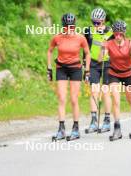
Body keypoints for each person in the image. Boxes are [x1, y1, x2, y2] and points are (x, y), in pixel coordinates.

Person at [47, 13, 91, 141]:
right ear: (63, 26)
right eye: (66, 27)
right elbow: (49, 51)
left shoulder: (80, 38)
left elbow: (87, 53)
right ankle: (61, 129)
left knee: (73, 99)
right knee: (61, 97)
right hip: (61, 68)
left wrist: (87, 71)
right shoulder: (57, 38)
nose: (69, 29)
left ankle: (76, 128)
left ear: (74, 26)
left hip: (75, 69)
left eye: (71, 27)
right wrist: (49, 68)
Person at [99, 20, 131, 141]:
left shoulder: (129, 43)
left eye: (120, 34)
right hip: (114, 74)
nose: (118, 36)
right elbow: (101, 59)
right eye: (116, 33)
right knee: (116, 100)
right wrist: (102, 49)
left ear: (124, 33)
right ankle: (117, 129)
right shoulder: (109, 43)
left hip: (128, 74)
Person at [84, 8, 113, 133]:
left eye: (98, 23)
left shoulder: (110, 32)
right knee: (94, 91)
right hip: (94, 64)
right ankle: (94, 121)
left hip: (107, 63)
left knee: (105, 91)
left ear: (104, 21)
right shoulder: (88, 31)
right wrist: (85, 68)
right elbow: (85, 51)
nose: (95, 25)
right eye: (93, 22)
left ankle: (107, 120)